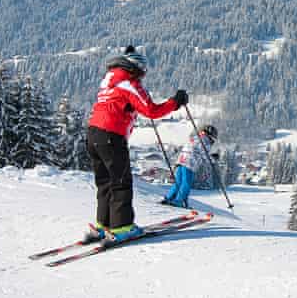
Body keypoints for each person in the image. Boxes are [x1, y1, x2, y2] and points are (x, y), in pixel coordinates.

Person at [85, 45, 188, 244]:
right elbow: (151, 110)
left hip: (93, 134)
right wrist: (175, 102)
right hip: (111, 136)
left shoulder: (111, 79)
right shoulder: (128, 82)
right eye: (142, 69)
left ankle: (103, 225)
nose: (143, 74)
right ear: (135, 68)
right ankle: (122, 227)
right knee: (121, 182)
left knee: (105, 182)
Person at [162, 125, 219, 208]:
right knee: (186, 183)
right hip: (190, 163)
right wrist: (213, 158)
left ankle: (169, 198)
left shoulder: (195, 138)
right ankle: (178, 201)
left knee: (179, 182)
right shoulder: (205, 141)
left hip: (181, 161)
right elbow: (204, 155)